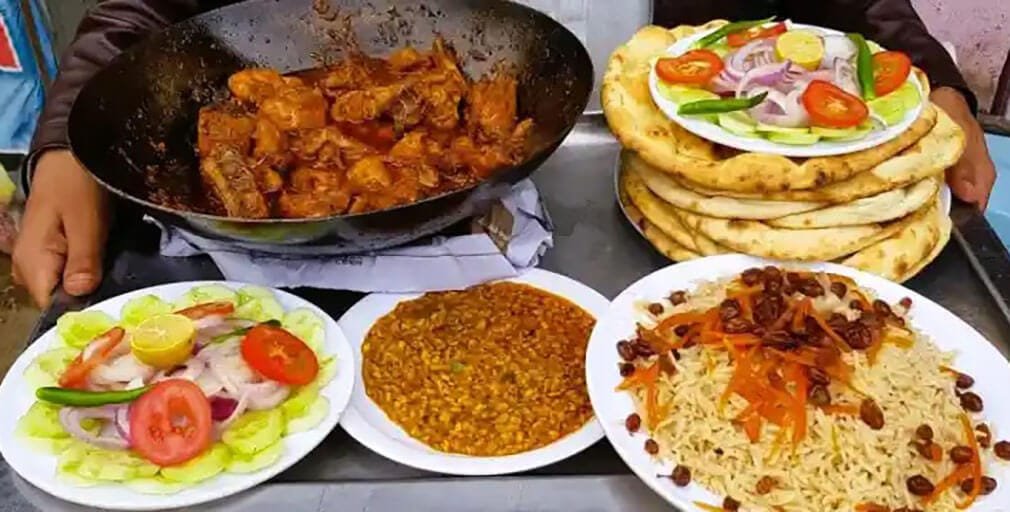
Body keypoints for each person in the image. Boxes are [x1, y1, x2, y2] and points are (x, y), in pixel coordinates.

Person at [13, 0, 997, 307]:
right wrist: (64, 141)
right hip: (286, 278)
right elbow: (146, 12)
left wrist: (918, 66)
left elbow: (847, 13)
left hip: (652, 175)